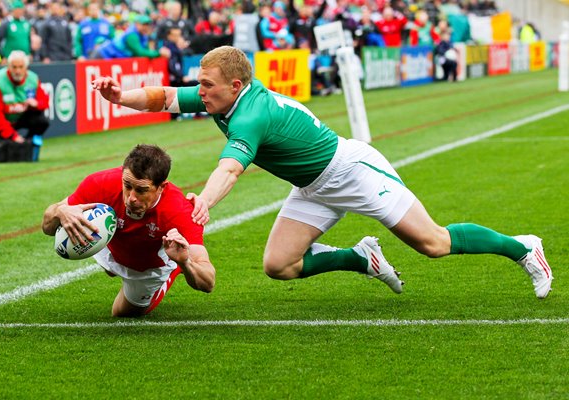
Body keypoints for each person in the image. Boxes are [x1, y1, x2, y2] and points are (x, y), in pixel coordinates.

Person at [92, 46, 554, 299]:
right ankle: (361, 258)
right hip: (314, 184)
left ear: (235, 86)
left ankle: (524, 249)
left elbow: (231, 168)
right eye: (200, 82)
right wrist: (120, 97)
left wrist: (204, 203)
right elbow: (164, 96)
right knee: (279, 266)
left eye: (207, 85)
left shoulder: (250, 114)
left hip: (351, 170)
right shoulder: (223, 95)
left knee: (433, 243)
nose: (200, 91)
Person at [41, 144, 216, 317]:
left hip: (148, 267)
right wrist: (59, 211)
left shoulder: (180, 211)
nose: (131, 198)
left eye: (141, 190)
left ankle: (171, 271)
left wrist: (185, 263)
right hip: (112, 244)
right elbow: (47, 228)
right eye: (127, 185)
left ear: (162, 187)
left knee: (122, 313)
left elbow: (208, 283)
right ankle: (112, 265)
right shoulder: (100, 183)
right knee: (108, 268)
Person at [0, 50, 49, 163]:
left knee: (41, 121)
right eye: (14, 67)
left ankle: (28, 145)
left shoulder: (33, 79)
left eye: (21, 67)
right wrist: (13, 136)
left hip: (19, 119)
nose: (17, 71)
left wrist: (36, 104)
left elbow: (44, 102)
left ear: (26, 67)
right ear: (8, 67)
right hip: (0, 124)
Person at [91, 14, 169, 60]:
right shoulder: (132, 35)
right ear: (137, 24)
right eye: (143, 24)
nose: (146, 27)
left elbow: (146, 50)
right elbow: (140, 52)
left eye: (148, 25)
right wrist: (158, 53)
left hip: (112, 57)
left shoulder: (143, 34)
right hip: (102, 54)